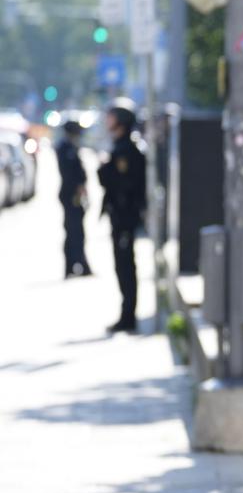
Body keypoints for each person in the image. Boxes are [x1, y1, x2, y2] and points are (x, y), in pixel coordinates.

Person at [98, 98, 146, 333]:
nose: (108, 120)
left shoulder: (127, 150)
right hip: (119, 215)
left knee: (126, 266)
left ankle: (129, 317)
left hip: (125, 216)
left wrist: (104, 167)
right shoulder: (119, 146)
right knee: (121, 265)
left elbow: (121, 183)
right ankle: (126, 314)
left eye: (112, 116)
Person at [55, 120, 92, 278]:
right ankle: (75, 265)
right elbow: (71, 174)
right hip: (70, 195)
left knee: (76, 231)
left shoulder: (70, 147)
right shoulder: (65, 148)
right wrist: (79, 188)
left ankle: (77, 264)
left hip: (74, 194)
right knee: (73, 230)